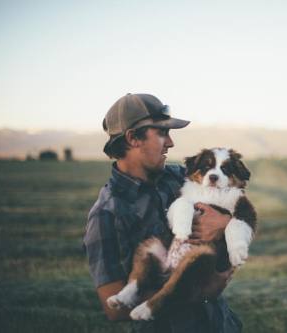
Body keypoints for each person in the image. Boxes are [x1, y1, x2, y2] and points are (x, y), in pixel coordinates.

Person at [83, 93, 243, 332]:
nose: (170, 142)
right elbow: (114, 308)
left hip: (221, 324)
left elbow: (237, 201)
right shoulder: (106, 214)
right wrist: (201, 293)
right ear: (133, 138)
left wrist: (226, 223)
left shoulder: (181, 177)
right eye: (162, 133)